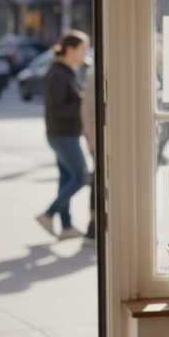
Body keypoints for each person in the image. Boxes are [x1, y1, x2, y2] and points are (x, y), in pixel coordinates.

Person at [36, 30, 90, 241]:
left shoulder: (67, 71)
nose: (85, 53)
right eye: (82, 49)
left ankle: (66, 226)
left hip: (66, 133)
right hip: (62, 134)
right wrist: (82, 101)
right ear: (70, 49)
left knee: (67, 178)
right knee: (81, 177)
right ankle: (48, 214)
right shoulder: (58, 74)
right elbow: (57, 109)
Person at [80, 64, 97, 242]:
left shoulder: (93, 71)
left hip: (94, 137)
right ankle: (93, 224)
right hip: (98, 139)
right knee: (97, 180)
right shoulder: (96, 72)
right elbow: (89, 110)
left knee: (96, 180)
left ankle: (93, 225)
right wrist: (92, 139)